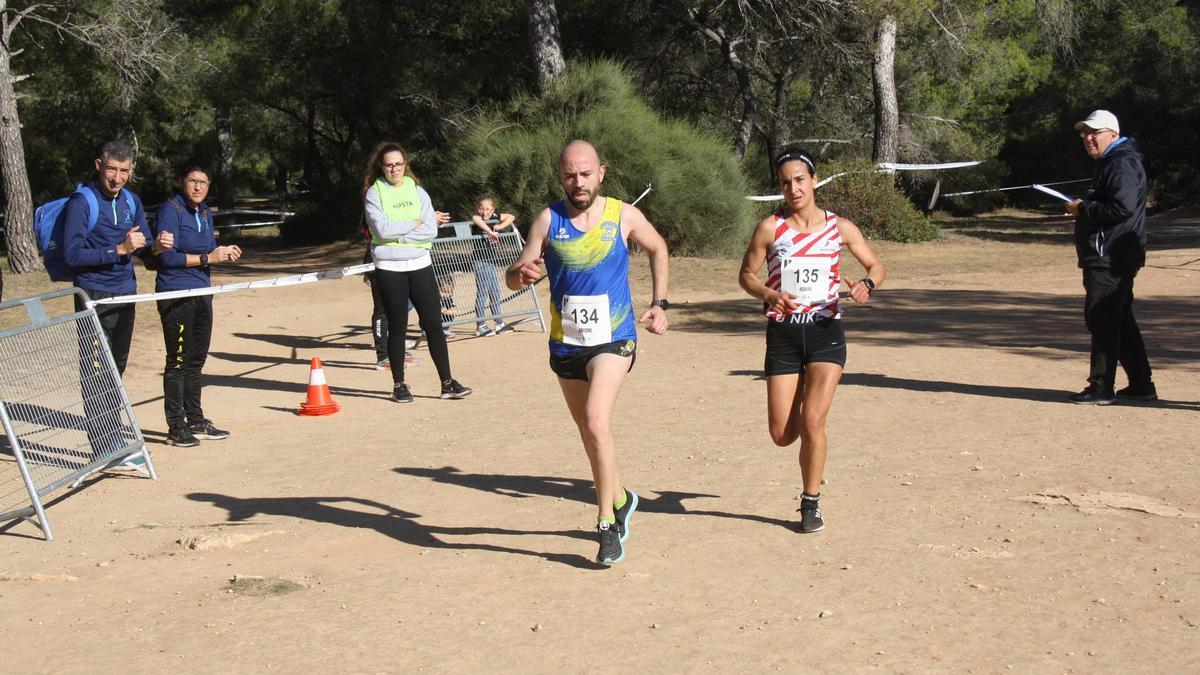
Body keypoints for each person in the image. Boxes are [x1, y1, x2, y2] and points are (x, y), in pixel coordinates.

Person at [506, 140, 669, 565]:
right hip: (567, 343)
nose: (578, 183)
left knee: (597, 419)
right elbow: (515, 276)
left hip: (614, 338)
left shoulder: (623, 215)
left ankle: (605, 522)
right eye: (569, 175)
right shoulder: (547, 219)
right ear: (560, 177)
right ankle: (621, 496)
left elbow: (658, 248)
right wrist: (520, 274)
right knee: (588, 429)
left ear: (602, 172)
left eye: (585, 174)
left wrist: (660, 302)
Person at [737, 147, 886, 534]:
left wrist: (866, 284)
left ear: (814, 180)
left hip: (825, 334)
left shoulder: (840, 227)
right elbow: (746, 276)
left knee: (814, 421)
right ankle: (803, 419)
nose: (793, 188)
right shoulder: (770, 228)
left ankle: (810, 502)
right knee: (782, 434)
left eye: (800, 179)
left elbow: (877, 265)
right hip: (784, 335)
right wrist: (769, 295)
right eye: (785, 182)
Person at [62, 140, 166, 455]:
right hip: (93, 294)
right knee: (95, 370)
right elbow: (72, 255)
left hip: (125, 292)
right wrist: (118, 250)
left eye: (124, 171)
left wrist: (158, 247)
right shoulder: (83, 201)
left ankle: (113, 436)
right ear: (99, 165)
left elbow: (146, 250)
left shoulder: (131, 201)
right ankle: (103, 446)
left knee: (116, 366)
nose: (117, 178)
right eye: (111, 169)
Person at [362, 141, 471, 403]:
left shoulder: (418, 191)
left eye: (399, 164)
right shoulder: (374, 193)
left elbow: (430, 230)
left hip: (420, 264)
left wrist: (401, 233)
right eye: (389, 164)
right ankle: (399, 384)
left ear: (405, 164)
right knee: (398, 326)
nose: (394, 169)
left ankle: (447, 383)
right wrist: (413, 224)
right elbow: (381, 230)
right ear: (381, 166)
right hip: (389, 268)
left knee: (433, 323)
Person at [1065, 110, 1155, 404]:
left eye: (1095, 132)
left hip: (1111, 256)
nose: (1088, 138)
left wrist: (1083, 209)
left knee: (1102, 318)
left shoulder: (1121, 163)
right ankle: (1142, 384)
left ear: (1113, 135)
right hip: (1110, 253)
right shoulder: (1111, 161)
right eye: (1084, 134)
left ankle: (1101, 385)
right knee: (1120, 318)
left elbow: (1121, 207)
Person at [151, 165, 243, 447]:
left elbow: (208, 253)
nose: (198, 187)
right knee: (177, 361)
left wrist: (223, 253)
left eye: (203, 182)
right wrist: (208, 259)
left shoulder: (205, 212)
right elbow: (165, 259)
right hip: (176, 294)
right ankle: (175, 427)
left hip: (202, 292)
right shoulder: (171, 210)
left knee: (196, 360)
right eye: (192, 180)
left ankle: (196, 420)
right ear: (182, 182)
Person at [469, 194, 516, 336]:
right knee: (483, 292)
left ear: (493, 209)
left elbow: (511, 216)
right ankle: (480, 325)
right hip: (480, 261)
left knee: (495, 291)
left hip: (490, 261)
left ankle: (499, 323)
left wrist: (500, 226)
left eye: (488, 209)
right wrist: (490, 231)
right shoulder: (478, 219)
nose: (485, 211)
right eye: (482, 208)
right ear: (478, 208)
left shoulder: (495, 215)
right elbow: (475, 219)